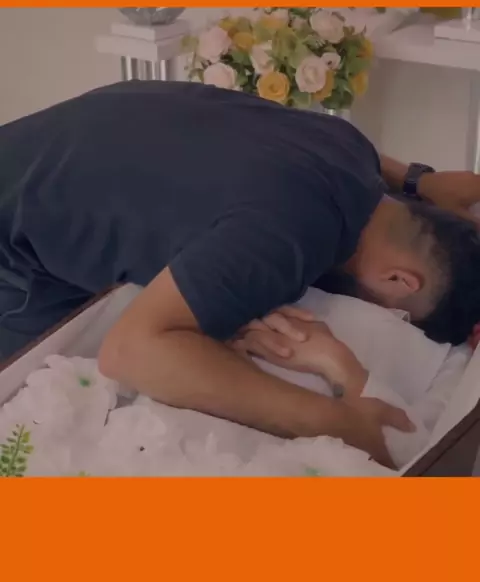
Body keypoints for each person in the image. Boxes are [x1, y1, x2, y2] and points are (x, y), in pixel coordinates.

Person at [1, 80, 480, 466]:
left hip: (65, 136)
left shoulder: (349, 146)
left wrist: (420, 180)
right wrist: (338, 423)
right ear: (400, 281)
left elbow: (370, 167)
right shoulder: (288, 235)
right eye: (398, 315)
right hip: (17, 223)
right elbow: (130, 352)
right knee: (21, 387)